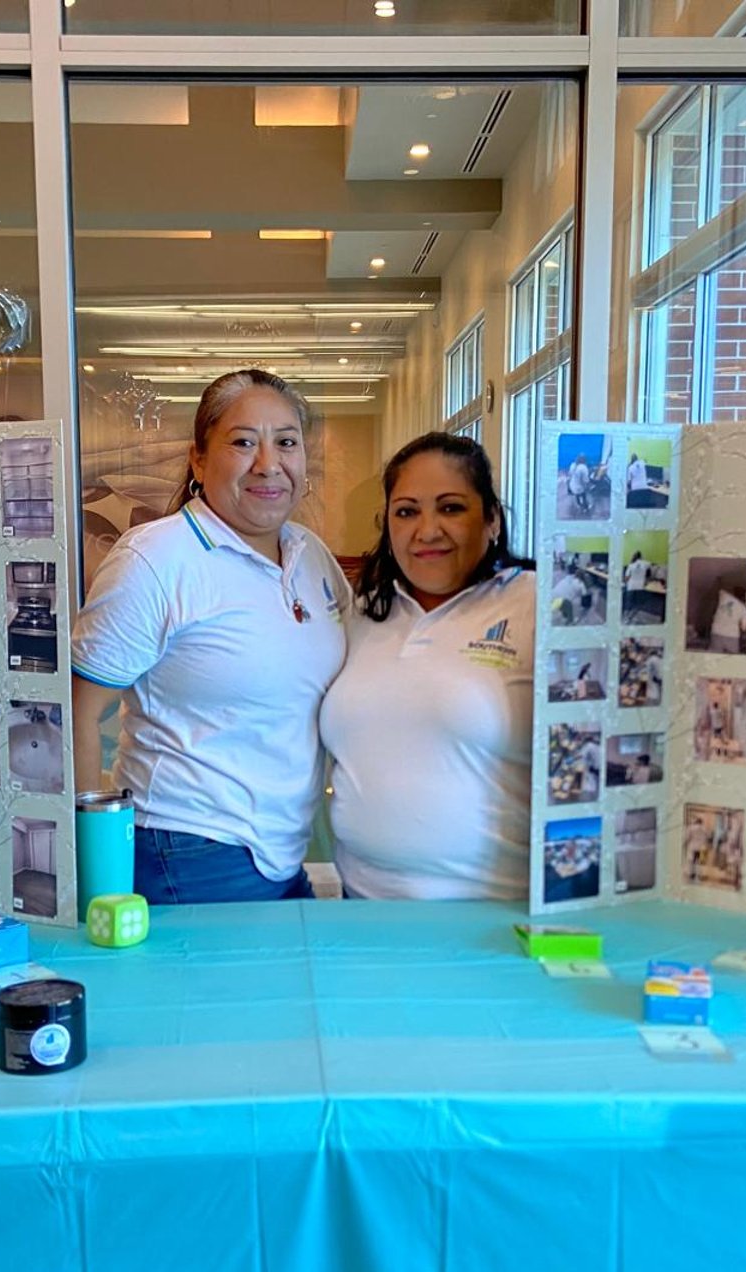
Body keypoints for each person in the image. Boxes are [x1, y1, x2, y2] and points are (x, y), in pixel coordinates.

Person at [71, 369, 348, 904]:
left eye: (286, 442)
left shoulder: (310, 555)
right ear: (198, 460)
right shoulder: (156, 559)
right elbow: (77, 714)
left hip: (282, 850)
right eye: (243, 443)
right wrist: (94, 877)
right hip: (187, 850)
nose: (268, 463)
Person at [321, 432, 536, 899]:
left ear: (492, 519)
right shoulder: (362, 614)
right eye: (407, 512)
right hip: (360, 906)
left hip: (494, 913)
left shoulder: (539, 606)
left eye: (451, 508)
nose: (427, 530)